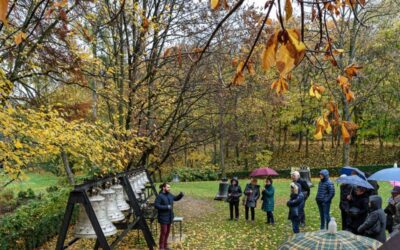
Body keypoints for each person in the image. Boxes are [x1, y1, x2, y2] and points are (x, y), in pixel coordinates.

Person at [154, 182, 184, 250]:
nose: (169, 188)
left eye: (169, 187)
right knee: (163, 232)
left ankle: (165, 246)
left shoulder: (169, 194)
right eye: (168, 187)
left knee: (167, 232)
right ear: (163, 188)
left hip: (170, 216)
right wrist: (166, 207)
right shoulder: (160, 196)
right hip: (163, 217)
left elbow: (175, 198)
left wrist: (180, 195)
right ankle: (161, 247)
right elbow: (156, 205)